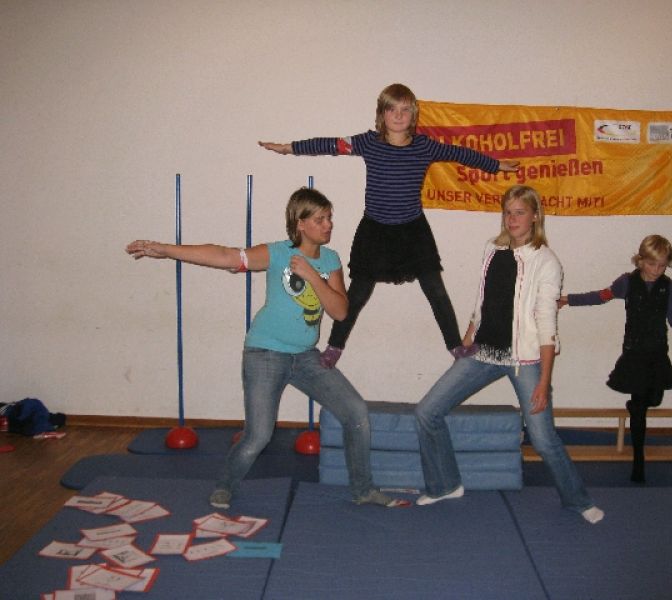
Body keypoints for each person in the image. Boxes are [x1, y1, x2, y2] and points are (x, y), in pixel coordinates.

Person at [126, 187, 409, 509]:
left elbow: (341, 311)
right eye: (320, 219)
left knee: (356, 413)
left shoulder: (330, 260)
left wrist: (312, 276)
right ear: (300, 223)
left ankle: (363, 490)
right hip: (265, 353)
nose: (328, 224)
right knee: (259, 435)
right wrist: (166, 249)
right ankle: (225, 485)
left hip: (306, 357)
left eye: (329, 217)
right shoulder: (277, 253)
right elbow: (226, 256)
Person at [259, 83, 519, 368]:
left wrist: (495, 165)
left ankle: (456, 345)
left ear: (414, 115)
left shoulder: (424, 146)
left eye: (405, 110)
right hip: (376, 230)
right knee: (358, 293)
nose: (398, 115)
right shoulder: (369, 143)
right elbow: (330, 145)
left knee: (435, 290)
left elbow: (460, 154)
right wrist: (289, 148)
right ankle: (334, 346)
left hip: (413, 229)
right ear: (381, 114)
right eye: (391, 109)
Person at [413, 185, 604, 524]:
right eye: (508, 212)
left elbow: (547, 324)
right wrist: (465, 343)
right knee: (427, 412)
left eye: (520, 212)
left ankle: (578, 501)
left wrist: (544, 382)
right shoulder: (492, 248)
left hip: (524, 360)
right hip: (483, 352)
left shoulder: (546, 261)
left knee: (543, 440)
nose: (512, 219)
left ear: (535, 217)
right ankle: (444, 485)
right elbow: (481, 304)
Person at [559, 234, 672, 483]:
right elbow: (601, 296)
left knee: (654, 399)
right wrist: (568, 300)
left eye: (662, 265)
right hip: (634, 354)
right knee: (640, 408)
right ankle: (638, 461)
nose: (656, 270)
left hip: (657, 352)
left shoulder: (669, 287)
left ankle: (636, 407)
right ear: (641, 261)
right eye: (652, 264)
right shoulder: (626, 282)